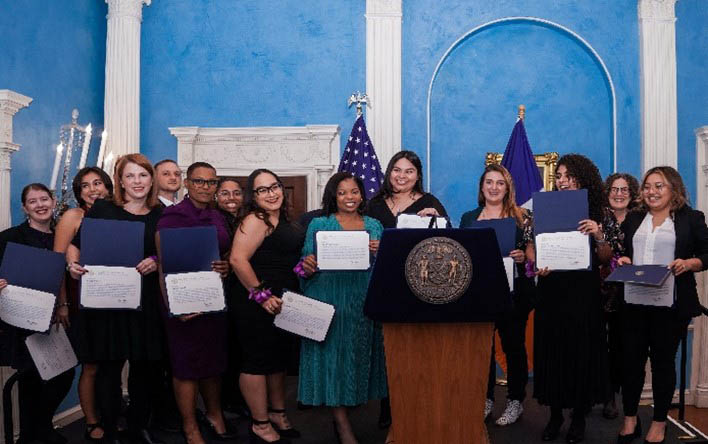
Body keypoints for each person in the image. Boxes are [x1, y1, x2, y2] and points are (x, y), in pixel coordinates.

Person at [66, 154, 165, 444]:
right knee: (108, 369)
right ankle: (110, 429)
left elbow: (170, 253)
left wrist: (156, 260)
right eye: (130, 176)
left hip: (144, 301)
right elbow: (76, 246)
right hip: (106, 301)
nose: (137, 182)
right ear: (120, 181)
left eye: (143, 175)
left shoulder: (162, 214)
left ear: (151, 179)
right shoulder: (103, 209)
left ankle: (137, 427)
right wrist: (72, 265)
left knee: (144, 369)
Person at [615, 166, 708, 444]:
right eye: (647, 186)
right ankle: (630, 418)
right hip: (634, 301)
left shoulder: (691, 219)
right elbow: (624, 252)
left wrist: (690, 263)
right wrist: (625, 261)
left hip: (671, 305)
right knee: (631, 362)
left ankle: (659, 423)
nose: (651, 192)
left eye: (659, 186)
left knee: (662, 364)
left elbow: (707, 252)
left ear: (674, 189)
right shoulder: (633, 219)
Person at [297, 172, 388, 444]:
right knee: (333, 362)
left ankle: (346, 409)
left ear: (362, 195)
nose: (349, 197)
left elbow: (385, 269)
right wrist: (308, 263)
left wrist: (381, 252)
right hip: (328, 299)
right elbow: (302, 265)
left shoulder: (374, 225)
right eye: (342, 192)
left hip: (360, 302)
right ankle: (342, 423)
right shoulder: (319, 223)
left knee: (355, 360)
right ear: (333, 196)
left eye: (354, 192)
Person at [365, 150, 448, 432]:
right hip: (384, 284)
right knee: (389, 347)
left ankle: (420, 403)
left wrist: (437, 219)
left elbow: (447, 245)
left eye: (409, 171)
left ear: (417, 176)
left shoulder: (430, 203)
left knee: (419, 347)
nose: (402, 176)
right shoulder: (374, 205)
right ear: (389, 173)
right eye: (397, 170)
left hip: (419, 287)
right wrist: (369, 246)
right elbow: (358, 236)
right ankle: (389, 405)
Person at [533, 154, 612, 443]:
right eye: (560, 176)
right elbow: (532, 246)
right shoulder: (545, 208)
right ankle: (554, 416)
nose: (563, 180)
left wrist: (599, 234)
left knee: (580, 353)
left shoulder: (599, 212)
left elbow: (605, 259)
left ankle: (578, 417)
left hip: (583, 294)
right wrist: (536, 263)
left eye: (569, 175)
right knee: (553, 351)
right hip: (552, 289)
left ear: (583, 177)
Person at [157, 162, 235, 444]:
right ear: (187, 183)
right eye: (199, 181)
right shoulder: (171, 215)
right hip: (183, 302)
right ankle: (190, 426)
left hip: (213, 299)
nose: (206, 187)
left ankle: (215, 415)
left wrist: (225, 266)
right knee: (186, 366)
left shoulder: (218, 216)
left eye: (211, 182)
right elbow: (163, 265)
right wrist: (173, 307)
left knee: (214, 362)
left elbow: (224, 253)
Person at [229, 169, 303, 444]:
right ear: (253, 196)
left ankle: (277, 413)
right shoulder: (255, 219)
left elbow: (282, 259)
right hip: (256, 302)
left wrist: (302, 268)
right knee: (257, 362)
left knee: (277, 360)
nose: (271, 193)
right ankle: (260, 423)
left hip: (281, 301)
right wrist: (261, 295)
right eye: (262, 190)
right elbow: (238, 260)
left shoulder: (283, 219)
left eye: (275, 187)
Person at [459, 164, 534, 426]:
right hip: (479, 292)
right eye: (489, 182)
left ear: (508, 188)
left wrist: (523, 256)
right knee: (482, 348)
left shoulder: (523, 217)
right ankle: (486, 398)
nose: (494, 187)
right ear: (482, 187)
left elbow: (533, 256)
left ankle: (515, 400)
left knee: (514, 346)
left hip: (514, 293)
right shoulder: (469, 218)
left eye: (499, 183)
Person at [0, 183, 75, 444]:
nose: (40, 205)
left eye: (44, 199)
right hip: (23, 320)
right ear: (25, 208)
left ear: (54, 202)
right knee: (30, 380)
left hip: (57, 319)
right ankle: (32, 437)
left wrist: (64, 305)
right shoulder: (10, 238)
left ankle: (42, 428)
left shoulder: (62, 235)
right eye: (33, 201)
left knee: (62, 373)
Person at [53, 166, 113, 442]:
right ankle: (91, 421)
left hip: (116, 300)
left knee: (112, 363)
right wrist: (63, 303)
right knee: (90, 365)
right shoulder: (73, 216)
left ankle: (111, 413)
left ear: (108, 186)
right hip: (82, 300)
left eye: (97, 183)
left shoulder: (118, 214)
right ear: (78, 193)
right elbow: (57, 263)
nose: (92, 189)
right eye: (85, 186)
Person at [598, 173, 640, 420]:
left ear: (632, 193)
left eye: (624, 190)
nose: (619, 194)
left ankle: (613, 396)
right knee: (598, 346)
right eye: (615, 189)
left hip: (629, 292)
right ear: (607, 192)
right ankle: (601, 393)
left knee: (619, 347)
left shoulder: (639, 220)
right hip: (599, 290)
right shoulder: (599, 218)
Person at [215, 177, 251, 417]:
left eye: (236, 193)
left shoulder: (249, 220)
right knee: (225, 348)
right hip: (220, 291)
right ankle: (226, 402)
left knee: (242, 348)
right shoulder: (214, 221)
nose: (231, 198)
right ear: (217, 196)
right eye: (225, 193)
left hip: (245, 292)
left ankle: (242, 400)